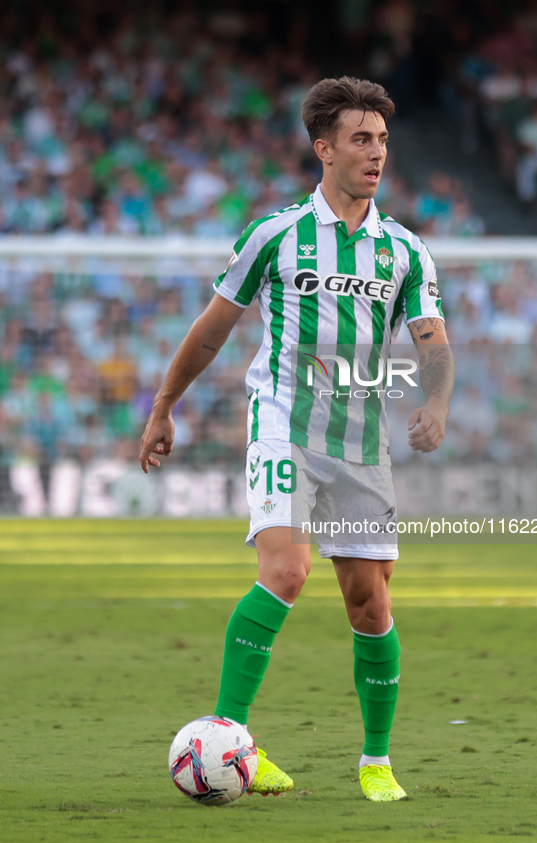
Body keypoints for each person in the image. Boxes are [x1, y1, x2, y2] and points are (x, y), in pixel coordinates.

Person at [139, 77, 454, 802]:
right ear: (324, 148)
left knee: (368, 603)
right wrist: (163, 405)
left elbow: (432, 341)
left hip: (359, 438)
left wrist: (436, 400)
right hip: (281, 420)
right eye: (359, 139)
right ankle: (229, 735)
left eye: (381, 139)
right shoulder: (274, 233)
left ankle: (375, 759)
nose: (376, 152)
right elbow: (214, 327)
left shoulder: (405, 252)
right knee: (285, 570)